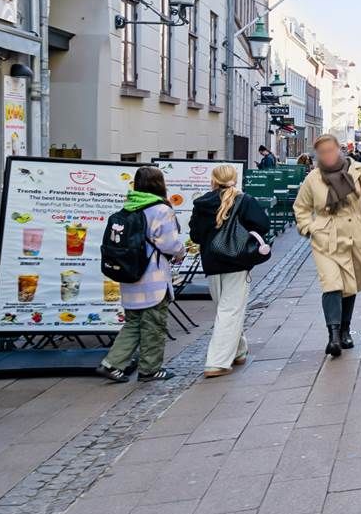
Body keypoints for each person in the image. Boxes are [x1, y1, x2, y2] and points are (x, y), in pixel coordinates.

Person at [293, 135, 361, 358]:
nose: (327, 155)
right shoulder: (313, 178)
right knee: (331, 283)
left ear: (339, 150)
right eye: (322, 152)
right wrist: (309, 227)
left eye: (330, 150)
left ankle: (345, 330)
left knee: (348, 284)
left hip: (354, 233)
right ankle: (333, 336)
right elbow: (301, 207)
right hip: (325, 237)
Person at [97, 165, 186, 384]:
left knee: (133, 323)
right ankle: (150, 369)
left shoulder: (129, 207)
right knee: (154, 325)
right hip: (153, 278)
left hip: (130, 275)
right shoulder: (161, 210)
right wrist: (181, 252)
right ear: (159, 184)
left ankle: (112, 364)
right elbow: (170, 244)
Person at [188, 164, 272, 377]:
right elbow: (263, 225)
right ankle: (216, 362)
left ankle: (238, 351)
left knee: (225, 309)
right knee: (230, 311)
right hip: (237, 261)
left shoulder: (202, 203)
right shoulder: (244, 200)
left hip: (211, 263)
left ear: (213, 180)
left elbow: (195, 235)